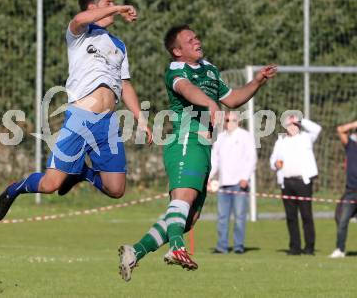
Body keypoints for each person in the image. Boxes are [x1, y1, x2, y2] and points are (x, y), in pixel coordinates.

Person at [118, 24, 277, 281]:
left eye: (197, 37)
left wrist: (257, 81)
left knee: (189, 217)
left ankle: (134, 251)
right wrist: (209, 103)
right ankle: (177, 248)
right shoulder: (176, 70)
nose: (197, 41)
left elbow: (234, 99)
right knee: (183, 198)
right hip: (185, 140)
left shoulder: (210, 69)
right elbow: (186, 90)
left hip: (204, 147)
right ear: (177, 50)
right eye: (190, 40)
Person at [0, 0, 152, 222]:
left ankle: (81, 174)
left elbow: (125, 84)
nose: (113, 8)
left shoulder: (119, 45)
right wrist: (119, 9)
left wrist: (141, 118)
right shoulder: (79, 34)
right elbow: (78, 18)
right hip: (80, 119)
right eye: (108, 3)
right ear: (92, 7)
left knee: (116, 189)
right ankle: (16, 188)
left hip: (107, 124)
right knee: (50, 185)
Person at [270, 115, 321, 255]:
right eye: (289, 125)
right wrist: (275, 164)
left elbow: (317, 129)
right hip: (286, 183)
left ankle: (309, 247)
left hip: (303, 182)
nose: (292, 127)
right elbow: (273, 160)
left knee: (306, 215)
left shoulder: (306, 138)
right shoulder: (281, 142)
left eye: (295, 125)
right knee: (291, 217)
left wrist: (301, 120)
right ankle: (295, 247)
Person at [208, 111, 257, 254]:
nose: (229, 123)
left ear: (239, 122)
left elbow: (251, 159)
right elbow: (214, 160)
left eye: (233, 120)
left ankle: (238, 246)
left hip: (239, 184)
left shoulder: (245, 136)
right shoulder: (220, 138)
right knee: (222, 217)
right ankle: (222, 246)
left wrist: (245, 178)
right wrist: (209, 178)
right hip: (223, 184)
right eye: (227, 120)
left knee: (240, 217)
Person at [329, 120, 357, 258]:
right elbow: (340, 129)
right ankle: (340, 249)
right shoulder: (351, 145)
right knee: (342, 220)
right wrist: (354, 124)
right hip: (351, 191)